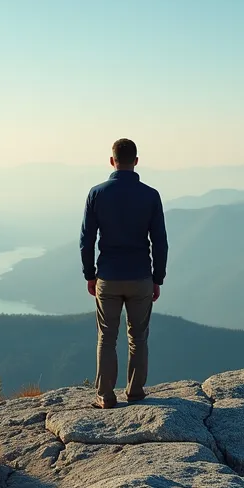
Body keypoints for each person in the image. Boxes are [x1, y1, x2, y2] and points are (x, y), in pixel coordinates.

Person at [79, 138, 168, 409]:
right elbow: (160, 241)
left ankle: (105, 396)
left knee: (106, 336)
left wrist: (90, 274)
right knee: (138, 337)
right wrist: (157, 278)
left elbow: (86, 239)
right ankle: (136, 392)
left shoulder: (97, 193)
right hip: (141, 276)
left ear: (111, 160)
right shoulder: (150, 195)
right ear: (136, 161)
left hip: (108, 275)